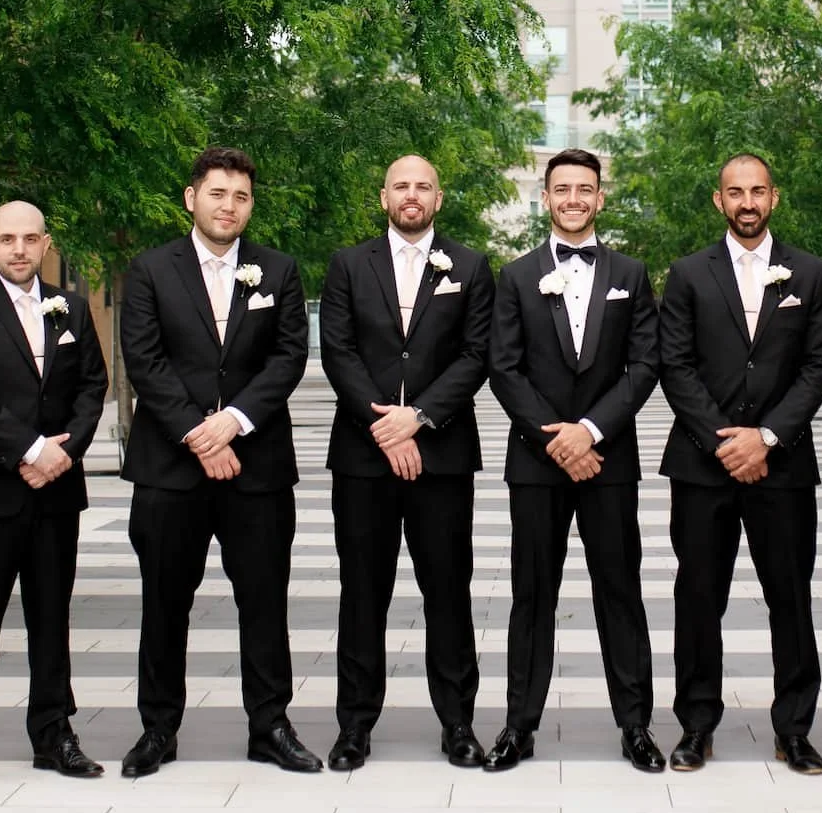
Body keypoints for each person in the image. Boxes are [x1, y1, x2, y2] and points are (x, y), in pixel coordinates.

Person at [117, 146, 320, 777]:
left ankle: (270, 725)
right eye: (217, 194)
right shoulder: (149, 271)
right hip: (169, 469)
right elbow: (144, 361)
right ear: (191, 198)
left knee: (264, 601)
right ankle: (158, 729)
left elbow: (287, 358)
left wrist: (233, 423)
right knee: (164, 602)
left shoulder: (279, 272)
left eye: (240, 197)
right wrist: (198, 434)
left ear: (250, 205)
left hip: (256, 467)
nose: (228, 206)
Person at [658, 154, 822, 775]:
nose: (746, 202)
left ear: (774, 197)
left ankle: (795, 730)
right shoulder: (685, 274)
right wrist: (724, 441)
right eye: (735, 192)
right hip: (702, 467)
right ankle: (695, 726)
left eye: (757, 191)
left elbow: (820, 366)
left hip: (782, 467)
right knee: (698, 598)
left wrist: (765, 438)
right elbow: (674, 366)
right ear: (718, 201)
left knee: (790, 598)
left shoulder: (812, 274)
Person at [485, 147, 664, 774]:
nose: (573, 199)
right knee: (531, 595)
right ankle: (519, 726)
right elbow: (502, 368)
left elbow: (645, 366)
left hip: (608, 462)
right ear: (545, 197)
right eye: (562, 189)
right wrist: (554, 438)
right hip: (537, 465)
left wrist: (589, 432)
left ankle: (636, 726)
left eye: (584, 189)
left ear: (600, 197)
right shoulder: (514, 276)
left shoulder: (632, 275)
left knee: (621, 592)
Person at [317, 154, 495, 771]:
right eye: (401, 186)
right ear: (384, 196)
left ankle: (458, 723)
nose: (412, 195)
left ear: (438, 198)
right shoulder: (347, 264)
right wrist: (384, 427)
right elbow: (337, 351)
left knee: (448, 591)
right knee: (362, 592)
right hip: (364, 459)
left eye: (423, 186)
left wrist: (416, 419)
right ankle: (354, 727)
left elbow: (476, 356)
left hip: (441, 456)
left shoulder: (470, 266)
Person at [0, 200, 108, 796]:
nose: (19, 249)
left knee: (51, 621)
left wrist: (65, 453)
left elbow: (92, 385)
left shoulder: (72, 308)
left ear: (46, 242)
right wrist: (33, 450)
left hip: (55, 494)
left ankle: (54, 736)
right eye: (7, 238)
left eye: (30, 238)